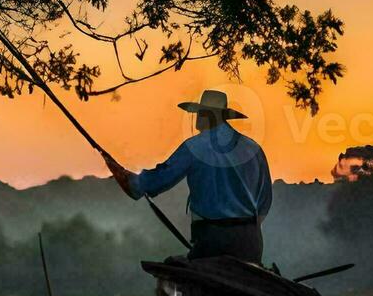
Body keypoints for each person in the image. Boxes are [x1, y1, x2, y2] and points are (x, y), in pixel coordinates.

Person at [102, 90, 272, 265]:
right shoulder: (254, 150)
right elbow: (264, 206)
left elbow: (143, 186)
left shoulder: (195, 147)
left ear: (207, 115)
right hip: (252, 245)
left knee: (173, 271)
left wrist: (117, 170)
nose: (196, 122)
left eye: (198, 114)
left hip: (212, 243)